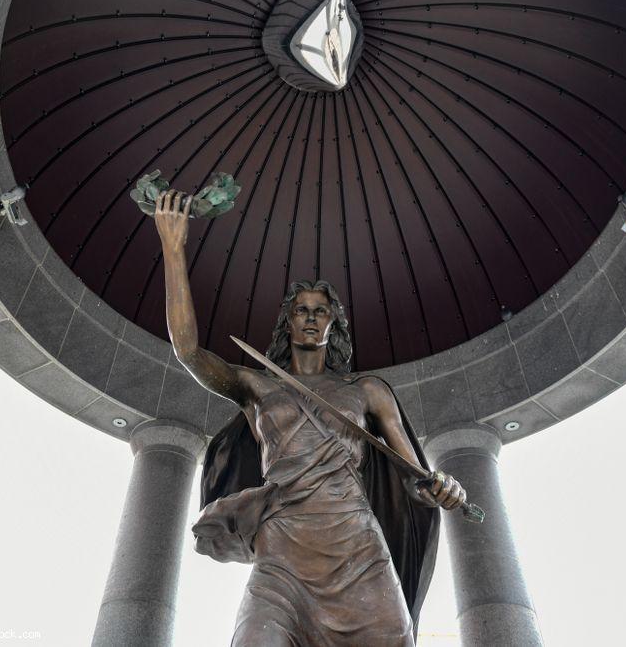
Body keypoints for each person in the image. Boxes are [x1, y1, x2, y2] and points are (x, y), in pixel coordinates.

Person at [153, 189, 467, 645]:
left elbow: (413, 477)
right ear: (288, 321)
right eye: (302, 311)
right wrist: (173, 248)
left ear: (333, 325)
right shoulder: (256, 387)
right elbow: (188, 352)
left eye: (321, 312)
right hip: (282, 545)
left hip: (356, 543)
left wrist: (442, 485)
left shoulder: (367, 390)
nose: (311, 319)